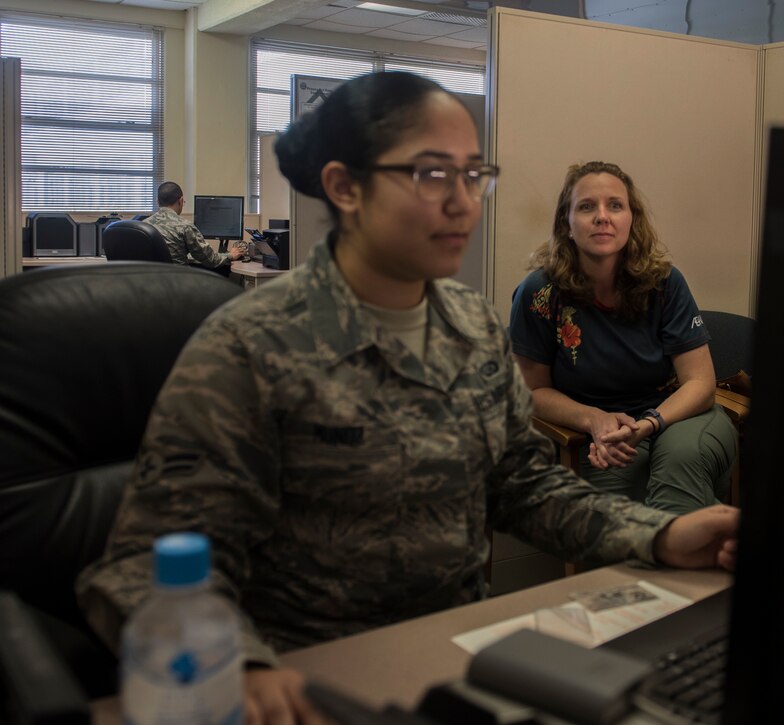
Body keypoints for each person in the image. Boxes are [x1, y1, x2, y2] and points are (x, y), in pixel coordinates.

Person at [76, 72, 740, 723]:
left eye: (473, 176)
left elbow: (526, 486)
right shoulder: (251, 345)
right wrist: (242, 667)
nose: (463, 202)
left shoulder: (471, 327)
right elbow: (145, 566)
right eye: (431, 175)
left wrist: (664, 532)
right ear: (345, 187)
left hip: (452, 655)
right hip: (308, 675)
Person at [509, 161, 738, 515]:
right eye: (587, 207)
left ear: (632, 220)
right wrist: (593, 420)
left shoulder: (664, 282)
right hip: (596, 433)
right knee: (614, 514)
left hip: (678, 415)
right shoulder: (538, 293)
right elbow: (532, 392)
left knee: (682, 463)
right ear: (566, 224)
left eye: (615, 205)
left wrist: (649, 424)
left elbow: (700, 382)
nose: (602, 216)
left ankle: (679, 564)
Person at [145, 181, 244, 271]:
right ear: (181, 200)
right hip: (179, 282)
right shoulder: (184, 226)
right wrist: (230, 255)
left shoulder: (144, 225)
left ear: (157, 201)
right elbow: (210, 260)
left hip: (150, 284)